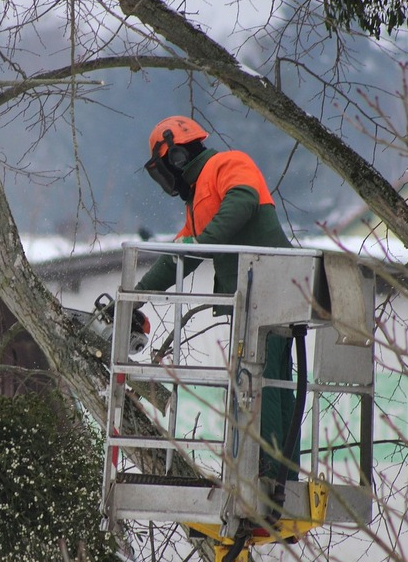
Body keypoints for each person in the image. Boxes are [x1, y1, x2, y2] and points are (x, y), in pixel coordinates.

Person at [135, 115, 298, 479]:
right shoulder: (197, 201)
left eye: (164, 167)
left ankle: (269, 479)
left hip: (272, 290)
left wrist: (204, 243)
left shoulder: (228, 163)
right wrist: (135, 297)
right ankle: (278, 476)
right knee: (267, 384)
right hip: (253, 299)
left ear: (174, 158)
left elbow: (243, 201)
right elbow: (180, 257)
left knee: (264, 386)